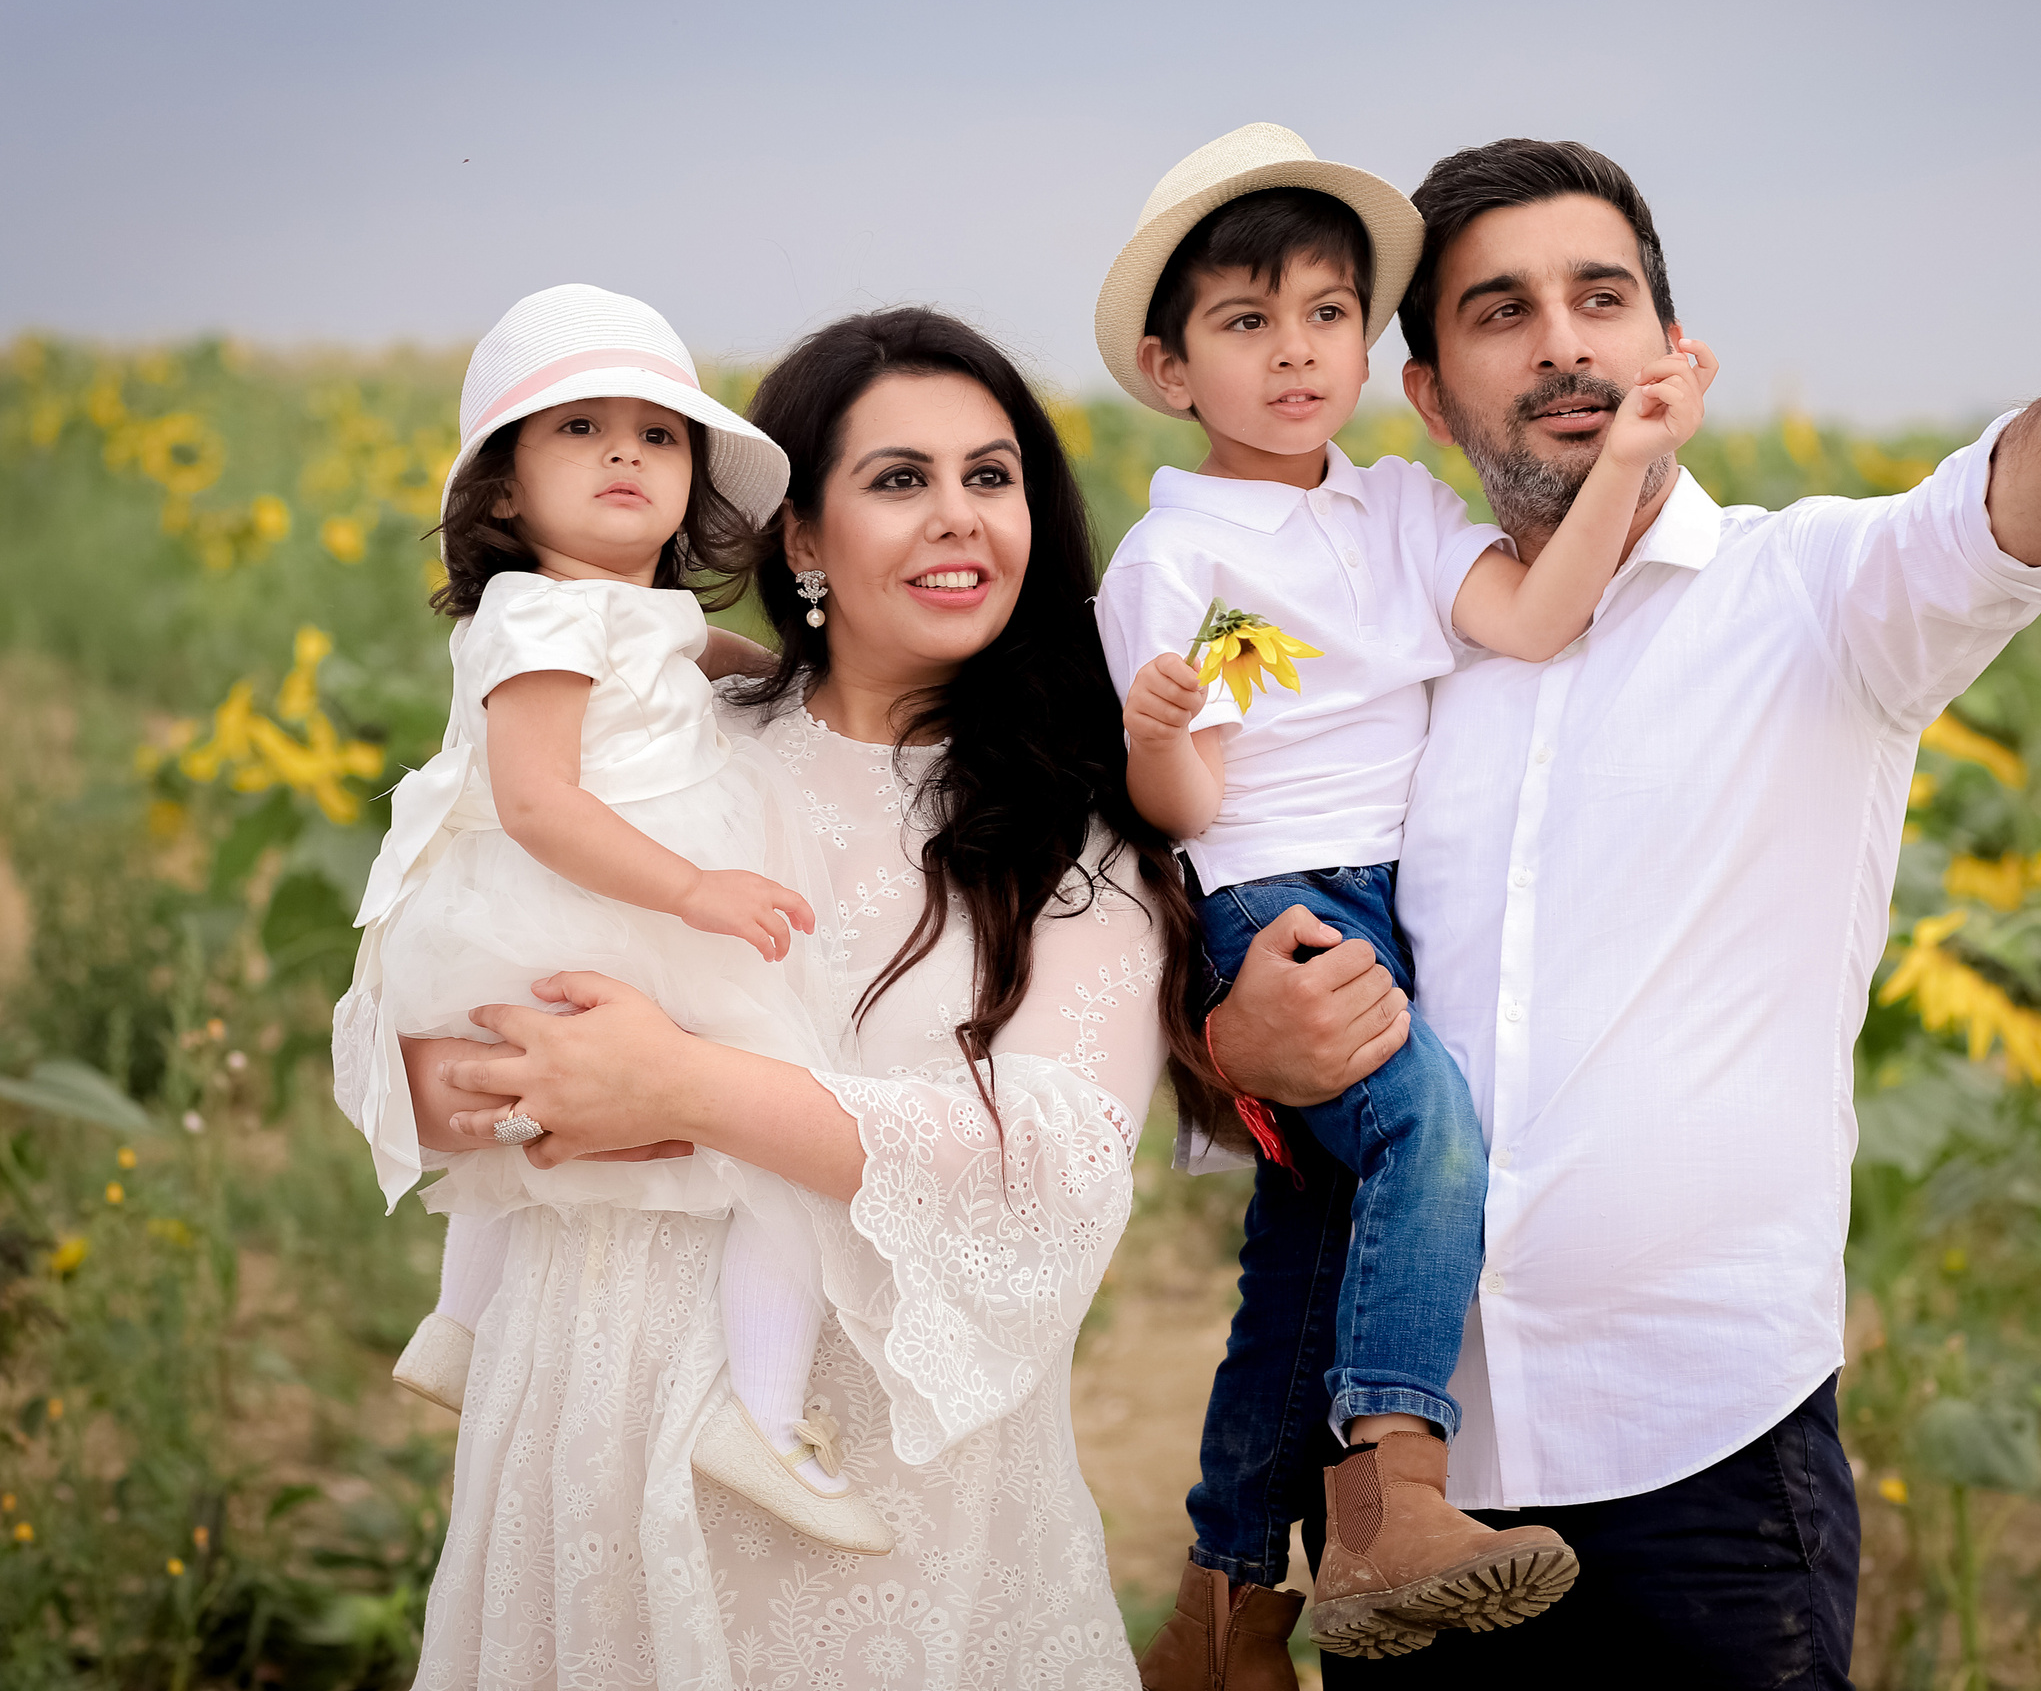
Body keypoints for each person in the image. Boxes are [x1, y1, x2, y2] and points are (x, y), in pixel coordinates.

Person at [1201, 139, 2041, 1682]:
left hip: (1713, 1465)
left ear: (1672, 348)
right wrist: (1229, 1042)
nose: (1563, 342)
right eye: (1501, 310)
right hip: (1421, 1501)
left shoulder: (1811, 597)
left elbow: (2006, 509)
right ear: (1430, 393)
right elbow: (1231, 899)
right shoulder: (1385, 652)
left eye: (1602, 297)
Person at [380, 306, 1213, 1687]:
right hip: (585, 1419)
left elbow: (1056, 1170)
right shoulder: (650, 753)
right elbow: (442, 942)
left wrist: (684, 1088)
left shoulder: (1074, 837)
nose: (959, 518)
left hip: (889, 1510)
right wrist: (446, 1084)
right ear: (805, 543)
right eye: (900, 480)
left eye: (989, 477)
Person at [1091, 125, 1709, 1678]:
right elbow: (1195, 809)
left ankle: (1221, 1607)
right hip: (1280, 908)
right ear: (1172, 369)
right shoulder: (1193, 557)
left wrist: (1629, 456)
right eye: (1246, 325)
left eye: (1323, 316)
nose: (1294, 355)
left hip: (1386, 899)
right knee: (1432, 1134)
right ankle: (1392, 1497)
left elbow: (1533, 614)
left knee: (1307, 1250)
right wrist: (1157, 740)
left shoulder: (1391, 515)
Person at [336, 281, 888, 1550]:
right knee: (778, 1134)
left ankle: (460, 1330)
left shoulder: (640, 613)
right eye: (578, 428)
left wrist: (791, 673)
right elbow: (534, 800)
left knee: (535, 1145)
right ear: (503, 496)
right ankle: (759, 1408)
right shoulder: (537, 614)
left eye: (657, 431)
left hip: (586, 911)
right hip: (586, 903)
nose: (627, 450)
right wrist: (694, 890)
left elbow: (714, 662)